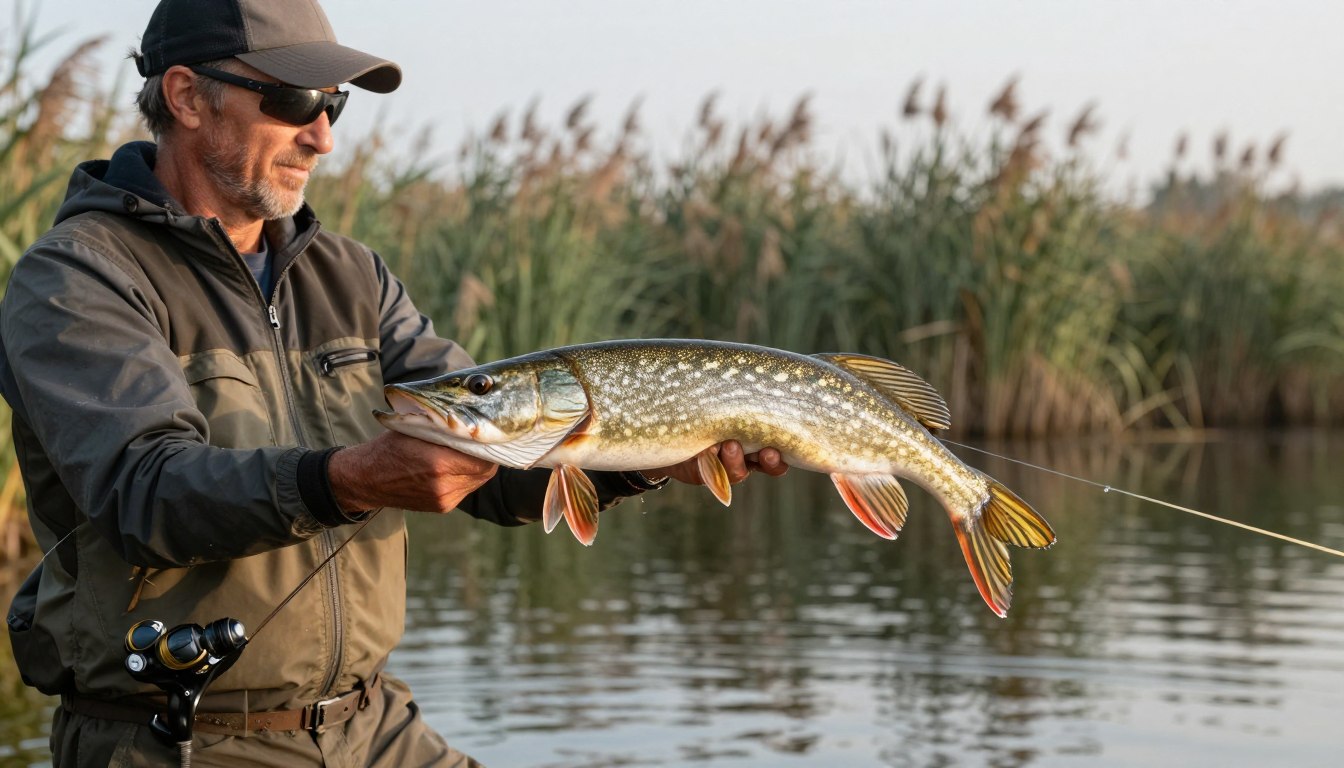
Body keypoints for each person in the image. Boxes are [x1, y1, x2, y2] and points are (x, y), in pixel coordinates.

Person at [0, 1, 787, 765]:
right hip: (182, 740)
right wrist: (344, 479)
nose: (321, 137)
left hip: (371, 725)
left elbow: (498, 472)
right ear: (184, 96)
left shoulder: (349, 274)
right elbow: (147, 492)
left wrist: (647, 456)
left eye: (333, 105)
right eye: (293, 99)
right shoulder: (78, 278)